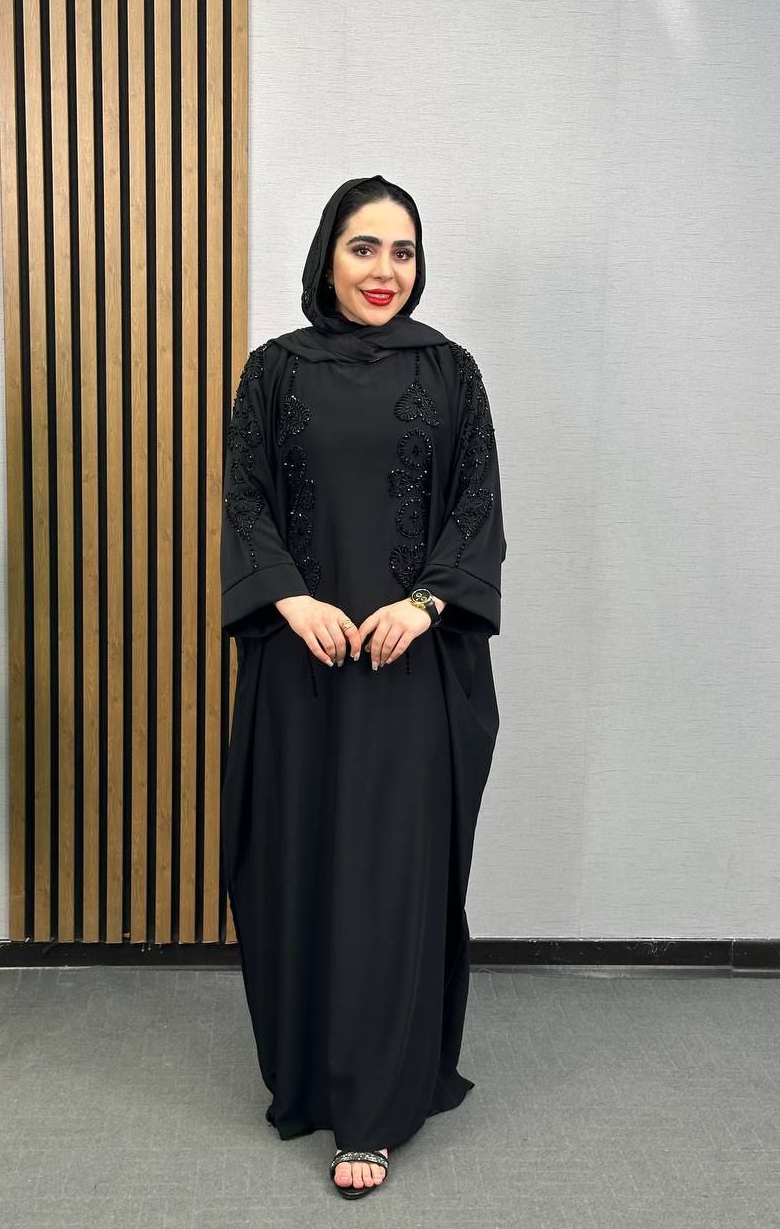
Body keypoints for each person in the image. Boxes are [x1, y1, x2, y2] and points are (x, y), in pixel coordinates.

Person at [219, 173, 505, 1199]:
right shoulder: (272, 372)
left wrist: (423, 605)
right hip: (301, 667)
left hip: (407, 671)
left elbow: (476, 508)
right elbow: (244, 501)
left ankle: (376, 1112)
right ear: (327, 256)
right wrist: (290, 600)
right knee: (298, 864)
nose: (386, 270)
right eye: (365, 247)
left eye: (403, 251)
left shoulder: (452, 373)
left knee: (391, 878)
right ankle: (309, 1076)